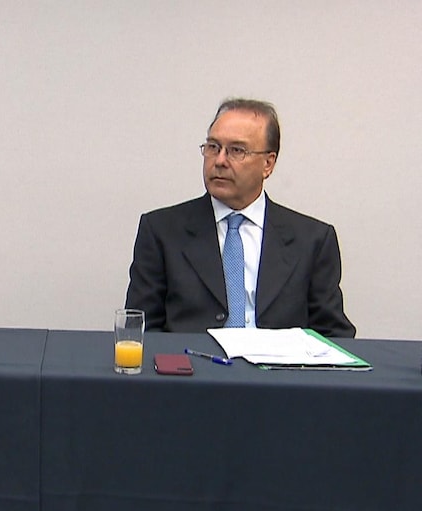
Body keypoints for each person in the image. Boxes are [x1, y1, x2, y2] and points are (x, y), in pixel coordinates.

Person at [124, 98, 355, 337]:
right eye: (213, 147)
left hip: (278, 372)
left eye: (236, 150)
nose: (220, 161)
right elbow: (140, 330)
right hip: (193, 368)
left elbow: (334, 335)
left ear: (268, 163)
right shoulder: (161, 231)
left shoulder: (313, 240)